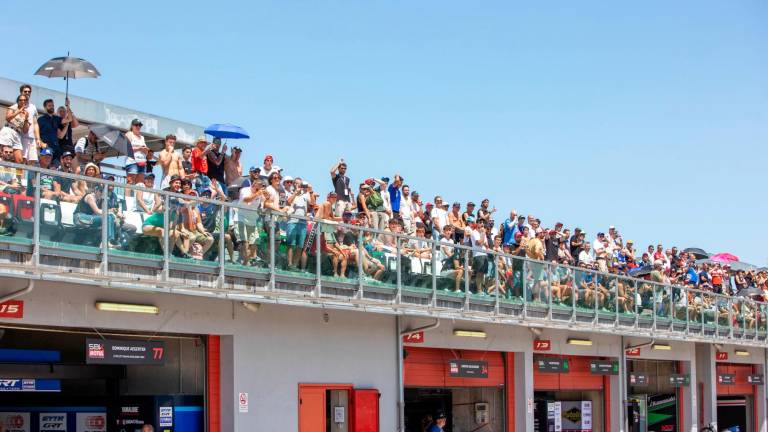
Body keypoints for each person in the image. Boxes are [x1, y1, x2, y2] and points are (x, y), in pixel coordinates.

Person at [286, 181, 314, 270]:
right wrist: (296, 193)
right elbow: (288, 202)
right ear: (297, 185)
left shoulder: (307, 195)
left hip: (302, 223)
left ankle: (294, 265)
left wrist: (311, 191)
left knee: (300, 246)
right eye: (302, 186)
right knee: (291, 244)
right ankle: (289, 264)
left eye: (305, 186)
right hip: (292, 221)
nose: (304, 187)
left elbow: (312, 203)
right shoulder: (291, 193)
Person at [238, 179, 266, 266]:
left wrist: (266, 197)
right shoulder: (245, 190)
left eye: (260, 189)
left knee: (254, 243)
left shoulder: (260, 193)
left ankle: (246, 262)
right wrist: (257, 194)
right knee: (245, 243)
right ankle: (245, 263)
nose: (259, 190)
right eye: (257, 188)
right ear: (253, 186)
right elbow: (246, 200)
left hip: (253, 221)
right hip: (241, 219)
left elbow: (263, 206)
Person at [15, 85, 42, 164]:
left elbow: (35, 123)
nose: (27, 93)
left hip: (32, 138)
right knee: (22, 160)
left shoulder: (33, 107)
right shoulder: (17, 106)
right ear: (21, 92)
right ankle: (22, 177)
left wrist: (38, 138)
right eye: (25, 91)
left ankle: (27, 177)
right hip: (21, 136)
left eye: (29, 91)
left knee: (32, 161)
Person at [124, 119, 149, 193]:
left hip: (142, 162)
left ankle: (138, 201)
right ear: (132, 126)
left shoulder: (142, 137)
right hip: (132, 161)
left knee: (140, 184)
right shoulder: (129, 134)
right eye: (136, 125)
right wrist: (139, 148)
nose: (138, 127)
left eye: (140, 125)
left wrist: (145, 150)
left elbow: (146, 152)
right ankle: (127, 200)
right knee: (130, 182)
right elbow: (126, 148)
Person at [37, 99, 62, 163]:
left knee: (55, 168)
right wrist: (41, 143)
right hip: (46, 147)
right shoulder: (40, 119)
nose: (52, 107)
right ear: (45, 107)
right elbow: (35, 133)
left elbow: (68, 119)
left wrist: (68, 105)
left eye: (53, 105)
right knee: (44, 164)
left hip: (56, 148)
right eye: (49, 105)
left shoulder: (57, 119)